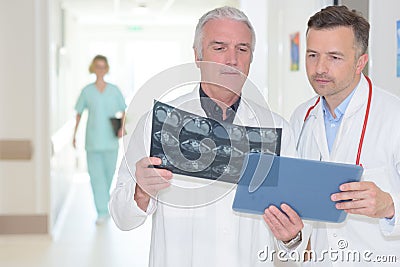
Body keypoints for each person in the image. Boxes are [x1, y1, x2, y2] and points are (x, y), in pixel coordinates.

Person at [109, 6, 299, 267]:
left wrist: (291, 237)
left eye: (242, 49)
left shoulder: (277, 131)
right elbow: (122, 217)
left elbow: (294, 235)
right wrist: (141, 191)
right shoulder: (157, 122)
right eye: (219, 48)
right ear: (198, 56)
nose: (232, 59)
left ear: (251, 58)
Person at [264, 5, 400, 266]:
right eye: (312, 55)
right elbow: (303, 211)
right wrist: (292, 237)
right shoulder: (301, 117)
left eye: (334, 57)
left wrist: (389, 206)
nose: (320, 68)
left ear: (360, 61)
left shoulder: (394, 116)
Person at [73, 55, 127, 225]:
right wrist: (73, 135)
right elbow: (79, 113)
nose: (100, 70)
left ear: (107, 69)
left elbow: (124, 111)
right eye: (98, 66)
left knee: (108, 175)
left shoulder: (114, 90)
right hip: (93, 141)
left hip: (110, 141)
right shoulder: (87, 91)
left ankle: (105, 205)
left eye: (103, 66)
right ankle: (102, 211)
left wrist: (122, 128)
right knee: (96, 177)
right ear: (93, 68)